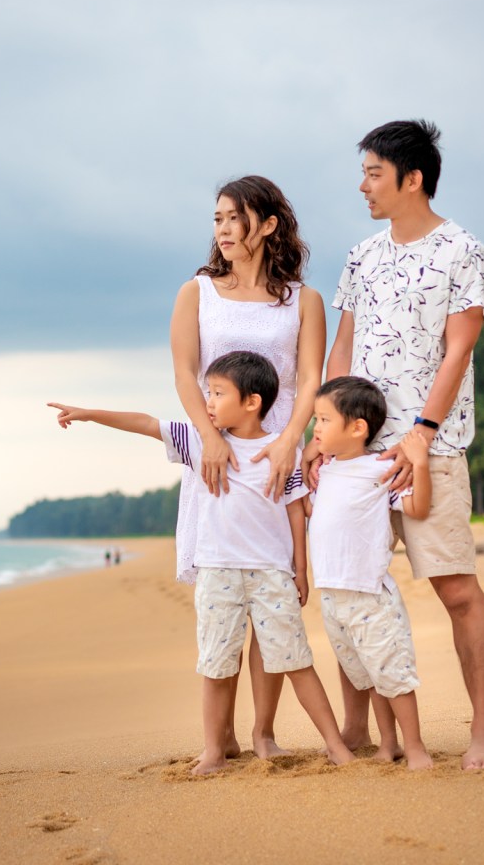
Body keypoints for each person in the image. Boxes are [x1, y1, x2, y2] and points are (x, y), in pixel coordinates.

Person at [49, 351, 354, 775]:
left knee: (295, 659)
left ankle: (333, 745)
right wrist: (88, 414)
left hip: (273, 573)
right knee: (216, 662)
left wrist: (301, 570)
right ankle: (213, 749)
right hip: (217, 571)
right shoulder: (199, 441)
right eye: (207, 392)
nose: (207, 402)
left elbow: (296, 513)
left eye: (216, 393)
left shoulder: (283, 448)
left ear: (252, 401)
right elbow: (145, 423)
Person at [311, 119, 484, 770]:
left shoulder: (464, 251)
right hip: (355, 456)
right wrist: (321, 432)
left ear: (411, 178)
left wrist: (422, 435)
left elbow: (460, 346)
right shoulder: (362, 256)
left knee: (455, 589)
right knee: (349, 587)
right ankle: (361, 728)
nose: (362, 184)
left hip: (433, 449)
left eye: (373, 172)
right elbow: (344, 346)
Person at [169, 175, 325, 761]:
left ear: (268, 225)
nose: (224, 230)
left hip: (276, 460)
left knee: (273, 596)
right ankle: (221, 738)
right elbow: (186, 373)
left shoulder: (303, 301)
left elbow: (309, 380)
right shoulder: (197, 292)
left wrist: (291, 439)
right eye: (217, 220)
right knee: (225, 602)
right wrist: (209, 437)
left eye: (235, 218)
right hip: (217, 460)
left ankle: (264, 731)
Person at [307, 376, 433, 770]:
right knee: (368, 675)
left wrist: (421, 463)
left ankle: (415, 748)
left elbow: (415, 509)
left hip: (368, 593)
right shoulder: (324, 472)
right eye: (316, 419)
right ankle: (388, 744)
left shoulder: (377, 468)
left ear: (357, 427)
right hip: (332, 594)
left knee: (392, 672)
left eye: (324, 420)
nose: (317, 429)